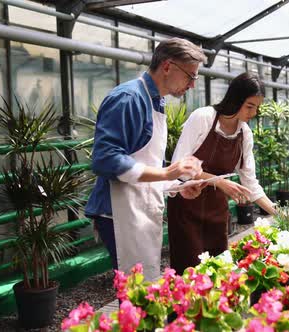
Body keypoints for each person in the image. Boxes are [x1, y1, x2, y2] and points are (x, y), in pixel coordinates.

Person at [84, 38, 207, 281]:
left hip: (139, 209)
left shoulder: (155, 101)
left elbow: (146, 163)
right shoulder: (129, 98)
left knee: (144, 290)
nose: (192, 85)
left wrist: (177, 186)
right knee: (135, 294)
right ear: (168, 66)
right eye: (190, 76)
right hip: (118, 213)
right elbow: (105, 159)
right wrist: (166, 174)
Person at [166, 72, 277, 275]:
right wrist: (218, 182)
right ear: (235, 99)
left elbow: (250, 183)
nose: (253, 113)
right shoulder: (203, 118)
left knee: (219, 270)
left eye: (257, 107)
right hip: (186, 207)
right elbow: (179, 166)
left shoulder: (244, 134)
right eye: (249, 106)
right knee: (190, 272)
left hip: (217, 210)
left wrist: (277, 212)